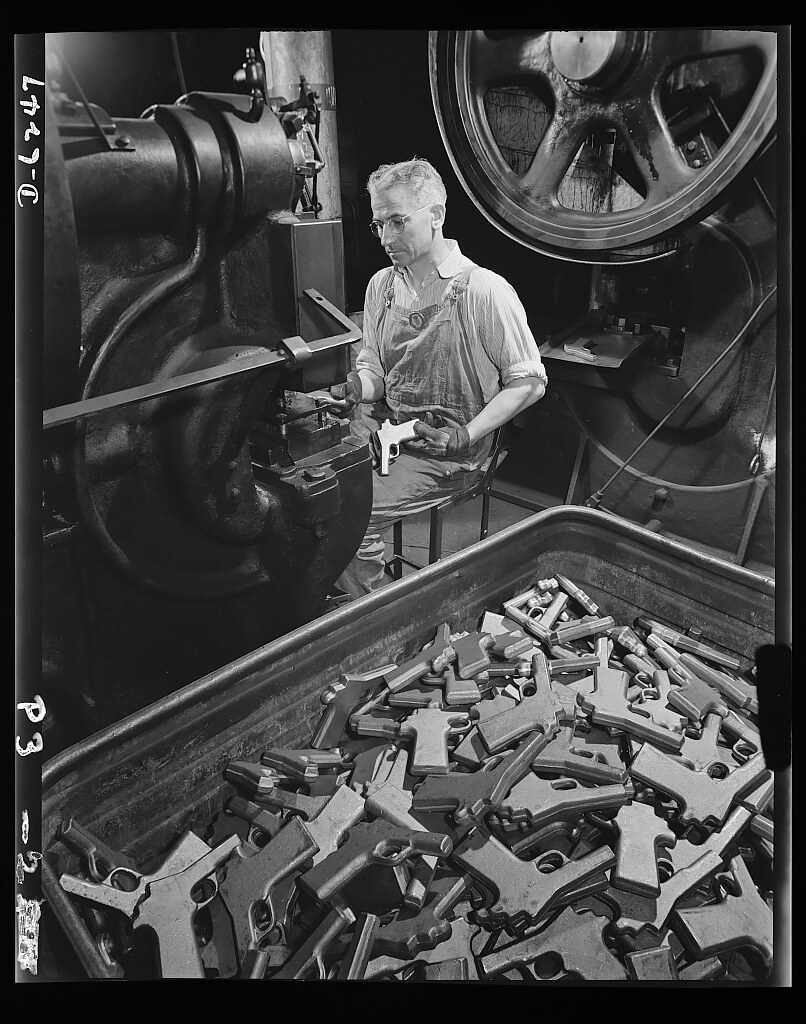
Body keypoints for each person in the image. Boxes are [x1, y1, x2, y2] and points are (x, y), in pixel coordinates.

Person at [326, 157, 547, 598]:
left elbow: (529, 383)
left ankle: (368, 615)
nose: (386, 238)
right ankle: (338, 585)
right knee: (307, 484)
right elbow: (376, 372)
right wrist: (354, 389)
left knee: (345, 515)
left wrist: (465, 435)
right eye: (378, 225)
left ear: (437, 215)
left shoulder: (484, 291)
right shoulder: (381, 287)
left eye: (397, 221)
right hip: (385, 428)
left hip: (448, 453)